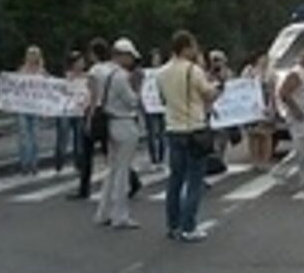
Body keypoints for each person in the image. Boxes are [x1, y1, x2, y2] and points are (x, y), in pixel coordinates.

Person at [156, 30, 220, 242]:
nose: (195, 50)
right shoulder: (194, 70)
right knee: (194, 180)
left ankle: (172, 224)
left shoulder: (162, 72)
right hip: (194, 128)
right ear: (185, 47)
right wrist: (217, 86)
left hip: (173, 128)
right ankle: (188, 226)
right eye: (193, 46)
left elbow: (163, 99)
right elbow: (208, 94)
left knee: (175, 179)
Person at [94, 38, 143, 230]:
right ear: (122, 56)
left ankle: (103, 212)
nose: (132, 61)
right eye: (130, 57)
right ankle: (120, 216)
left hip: (109, 122)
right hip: (124, 122)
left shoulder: (104, 73)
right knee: (122, 171)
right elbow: (132, 101)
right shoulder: (121, 76)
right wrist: (137, 89)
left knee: (112, 170)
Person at [272, 46, 304, 194]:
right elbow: (284, 93)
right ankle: (280, 170)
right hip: (300, 116)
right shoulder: (296, 74)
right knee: (301, 148)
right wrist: (296, 111)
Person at [76, 38, 112, 200]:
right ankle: (133, 180)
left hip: (96, 111)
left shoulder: (94, 71)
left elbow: (93, 95)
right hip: (109, 111)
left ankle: (84, 188)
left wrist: (89, 118)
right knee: (109, 151)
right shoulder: (112, 69)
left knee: (87, 152)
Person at [15, 46, 46, 175]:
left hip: (36, 107)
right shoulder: (21, 71)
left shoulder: (42, 72)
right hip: (23, 107)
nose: (32, 57)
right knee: (23, 136)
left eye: (34, 54)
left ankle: (33, 164)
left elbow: (48, 90)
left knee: (34, 137)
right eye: (30, 54)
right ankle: (24, 163)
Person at [55, 50, 87, 174]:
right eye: (79, 61)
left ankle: (78, 163)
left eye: (82, 61)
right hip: (65, 111)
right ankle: (59, 162)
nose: (81, 64)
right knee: (63, 137)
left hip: (79, 111)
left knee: (79, 139)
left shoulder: (87, 77)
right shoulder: (64, 77)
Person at [242, 53, 275, 172]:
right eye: (262, 58)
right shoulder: (248, 70)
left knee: (266, 135)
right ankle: (255, 161)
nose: (264, 60)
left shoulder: (270, 72)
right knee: (253, 135)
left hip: (266, 104)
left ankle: (265, 161)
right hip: (252, 105)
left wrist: (272, 106)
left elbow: (272, 90)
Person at [143, 48, 166, 169]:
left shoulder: (164, 71)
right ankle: (154, 159)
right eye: (153, 58)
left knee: (163, 134)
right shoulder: (145, 73)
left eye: (158, 58)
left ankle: (161, 158)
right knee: (151, 133)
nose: (156, 60)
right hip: (150, 105)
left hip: (162, 106)